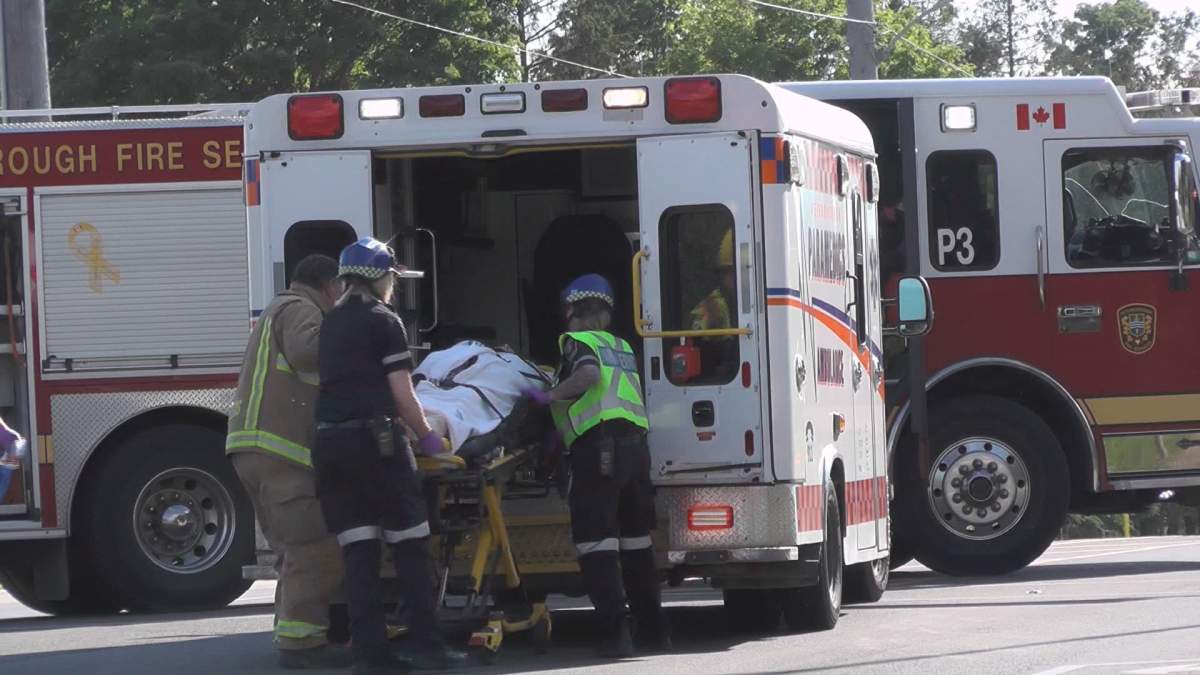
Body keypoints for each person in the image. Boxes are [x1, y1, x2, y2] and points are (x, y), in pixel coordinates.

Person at [313, 237, 466, 674]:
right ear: (382, 279)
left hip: (330, 446)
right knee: (410, 545)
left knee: (358, 552)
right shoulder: (384, 321)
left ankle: (370, 654)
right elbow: (402, 393)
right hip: (376, 445)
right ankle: (426, 647)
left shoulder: (330, 322)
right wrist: (428, 439)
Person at [523, 274, 668, 658]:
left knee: (596, 543)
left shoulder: (577, 343)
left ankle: (614, 634)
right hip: (636, 452)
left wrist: (548, 395)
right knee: (636, 542)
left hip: (600, 453)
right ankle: (652, 631)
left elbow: (587, 376)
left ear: (570, 310)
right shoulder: (621, 346)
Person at [225, 254, 350, 670]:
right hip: (282, 452)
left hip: (254, 452)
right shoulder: (301, 310)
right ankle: (303, 646)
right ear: (330, 285)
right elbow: (307, 353)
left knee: (290, 550)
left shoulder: (276, 309)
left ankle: (292, 630)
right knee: (313, 547)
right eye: (342, 289)